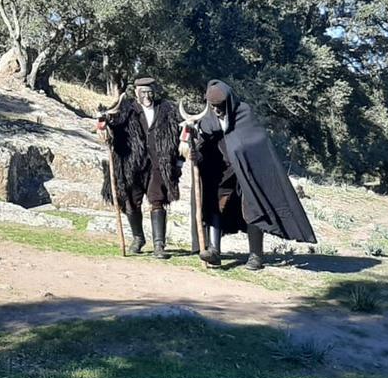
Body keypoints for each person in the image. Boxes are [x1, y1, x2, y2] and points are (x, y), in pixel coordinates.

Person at [184, 79, 315, 270]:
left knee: (252, 208)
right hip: (223, 173)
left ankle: (255, 256)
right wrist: (195, 151)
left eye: (220, 106)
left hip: (249, 171)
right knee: (215, 205)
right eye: (213, 106)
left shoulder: (244, 113)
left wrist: (240, 153)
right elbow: (203, 145)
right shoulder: (208, 119)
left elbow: (256, 141)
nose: (217, 110)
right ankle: (214, 251)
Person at [97, 76, 183, 258]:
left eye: (150, 91)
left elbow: (180, 134)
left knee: (157, 200)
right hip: (131, 166)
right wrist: (105, 126)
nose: (147, 95)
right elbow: (113, 129)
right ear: (136, 92)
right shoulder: (125, 110)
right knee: (130, 201)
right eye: (143, 92)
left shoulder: (168, 110)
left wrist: (179, 162)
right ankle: (138, 238)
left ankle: (159, 245)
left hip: (159, 164)